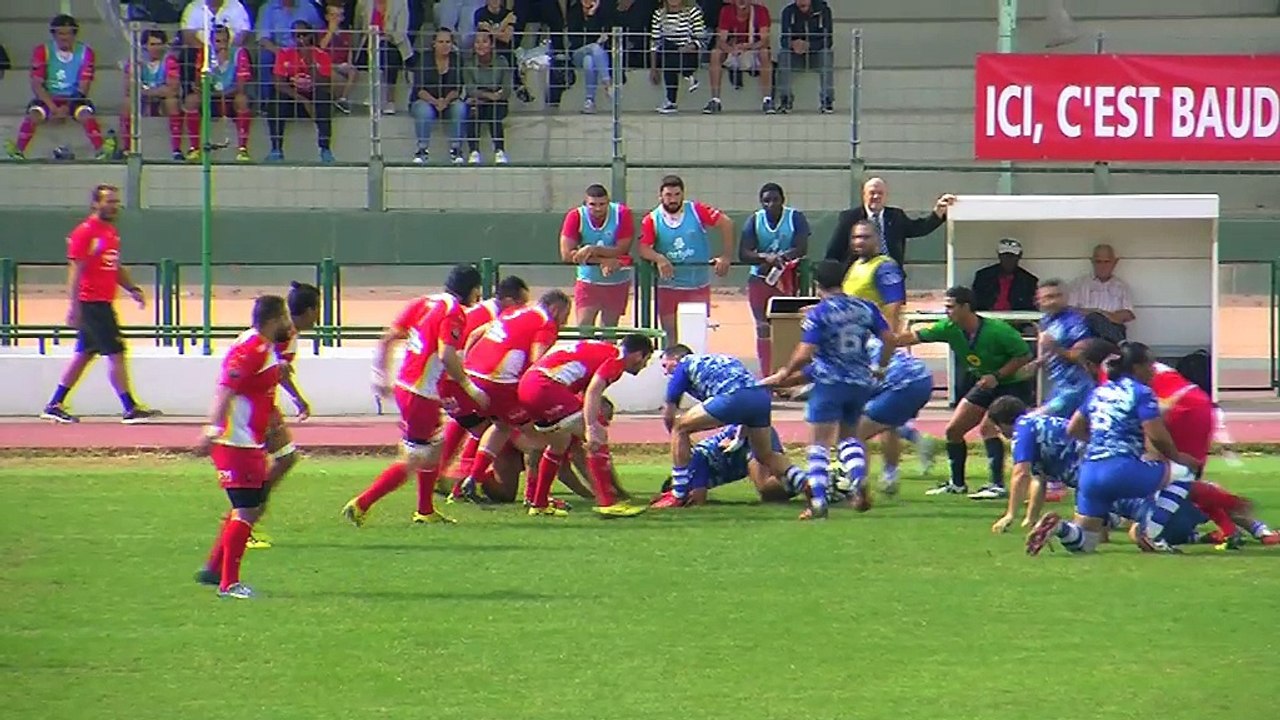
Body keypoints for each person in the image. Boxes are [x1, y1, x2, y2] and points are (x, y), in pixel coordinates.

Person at [340, 264, 486, 527]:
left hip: (407, 385)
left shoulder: (425, 301)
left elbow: (388, 338)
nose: (479, 296)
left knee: (434, 448)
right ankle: (362, 503)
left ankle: (425, 510)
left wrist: (379, 376)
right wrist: (470, 388)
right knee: (414, 458)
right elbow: (446, 355)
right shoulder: (454, 313)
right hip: (421, 394)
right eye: (478, 290)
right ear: (472, 289)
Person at [1025, 343, 1203, 556]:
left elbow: (1073, 428)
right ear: (1136, 368)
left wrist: (1100, 442)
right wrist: (1177, 456)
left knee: (1085, 543)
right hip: (1122, 469)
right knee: (1184, 472)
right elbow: (1156, 434)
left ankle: (1060, 528)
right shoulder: (1141, 392)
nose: (1154, 370)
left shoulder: (1099, 392)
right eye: (1150, 365)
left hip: (1090, 473)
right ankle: (1152, 533)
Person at [762, 259, 894, 519]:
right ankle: (857, 480)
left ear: (816, 284)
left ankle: (818, 502)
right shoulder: (865, 307)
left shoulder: (820, 313)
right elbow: (889, 338)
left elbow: (805, 353)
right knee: (849, 438)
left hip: (829, 383)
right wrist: (880, 366)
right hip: (859, 382)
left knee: (819, 444)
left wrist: (786, 371)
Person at [193, 294, 295, 599]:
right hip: (236, 441)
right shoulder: (254, 348)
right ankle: (230, 584)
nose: (288, 323)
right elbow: (227, 386)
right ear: (275, 319)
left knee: (248, 506)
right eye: (285, 317)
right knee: (247, 510)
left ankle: (215, 570)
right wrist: (211, 429)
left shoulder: (260, 347)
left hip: (246, 441)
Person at [893, 285, 1033, 500]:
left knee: (988, 428)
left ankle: (997, 484)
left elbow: (1024, 355)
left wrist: (997, 375)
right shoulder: (950, 328)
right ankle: (957, 484)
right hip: (985, 383)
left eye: (950, 307)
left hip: (1010, 383)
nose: (947, 311)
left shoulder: (998, 330)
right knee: (954, 430)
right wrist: (887, 340)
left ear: (966, 307)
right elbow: (915, 336)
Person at [441, 290, 573, 510]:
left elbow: (475, 334)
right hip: (499, 384)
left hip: (472, 377)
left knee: (501, 427)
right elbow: (537, 361)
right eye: (565, 316)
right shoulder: (546, 324)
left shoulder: (515, 312)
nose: (565, 323)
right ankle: (536, 497)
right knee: (541, 439)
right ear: (555, 309)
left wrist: (468, 367)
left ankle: (470, 481)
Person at [40, 185, 160, 425]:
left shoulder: (110, 232)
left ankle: (54, 404)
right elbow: (76, 270)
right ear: (96, 204)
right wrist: (73, 306)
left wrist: (132, 289)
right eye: (109, 201)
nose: (114, 206)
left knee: (84, 354)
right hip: (91, 302)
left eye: (116, 202)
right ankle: (129, 407)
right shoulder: (85, 232)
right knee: (116, 353)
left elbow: (114, 267)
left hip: (103, 301)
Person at [516, 335, 655, 517]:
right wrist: (590, 426)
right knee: (598, 437)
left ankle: (539, 503)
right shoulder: (616, 359)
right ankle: (609, 502)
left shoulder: (601, 349)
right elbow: (594, 390)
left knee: (559, 444)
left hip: (527, 386)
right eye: (647, 359)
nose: (645, 365)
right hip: (546, 386)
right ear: (638, 355)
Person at [655, 345, 808, 509]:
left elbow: (669, 411)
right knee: (766, 457)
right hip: (759, 399)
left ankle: (677, 494)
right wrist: (738, 438)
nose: (665, 372)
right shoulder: (719, 362)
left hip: (735, 399)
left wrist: (677, 438)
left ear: (676, 359)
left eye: (665, 365)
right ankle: (813, 485)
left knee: (680, 426)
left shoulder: (685, 364)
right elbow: (747, 392)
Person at [247, 281, 321, 550]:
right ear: (310, 310)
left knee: (284, 459)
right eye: (318, 309)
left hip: (264, 404)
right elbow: (275, 369)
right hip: (256, 406)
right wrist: (299, 399)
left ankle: (247, 518)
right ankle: (243, 519)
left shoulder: (285, 331)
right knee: (273, 462)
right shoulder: (285, 332)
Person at [444, 275, 530, 501]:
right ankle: (461, 478)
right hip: (457, 378)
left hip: (451, 378)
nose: (524, 310)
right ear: (510, 301)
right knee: (492, 426)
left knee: (476, 425)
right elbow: (472, 339)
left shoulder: (484, 311)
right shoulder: (497, 317)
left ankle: (449, 475)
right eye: (522, 304)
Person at [636, 174, 733, 344]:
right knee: (670, 335)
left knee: (695, 336)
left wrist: (726, 256)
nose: (672, 199)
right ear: (660, 196)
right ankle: (672, 370)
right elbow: (643, 248)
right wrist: (659, 258)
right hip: (669, 286)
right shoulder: (652, 219)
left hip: (697, 285)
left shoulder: (696, 210)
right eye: (668, 195)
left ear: (683, 194)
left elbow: (726, 223)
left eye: (676, 194)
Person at [7, 15, 116, 161]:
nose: (64, 38)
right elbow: (37, 84)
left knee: (85, 115)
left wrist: (67, 107)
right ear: (54, 34)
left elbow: (84, 86)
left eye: (68, 33)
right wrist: (52, 107)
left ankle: (100, 150)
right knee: (33, 116)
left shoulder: (86, 52)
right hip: (48, 98)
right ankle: (18, 151)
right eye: (60, 33)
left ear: (74, 34)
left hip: (74, 98)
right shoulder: (42, 51)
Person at [738, 182, 809, 376]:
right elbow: (744, 253)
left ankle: (786, 372)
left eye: (775, 200)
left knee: (786, 325)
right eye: (766, 201)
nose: (771, 204)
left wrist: (782, 258)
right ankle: (767, 373)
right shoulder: (754, 220)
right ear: (761, 203)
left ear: (782, 200)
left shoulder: (796, 218)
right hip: (760, 279)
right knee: (762, 326)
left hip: (786, 278)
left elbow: (802, 247)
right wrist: (765, 257)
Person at [986, 396, 1083, 534]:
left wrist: (1010, 514)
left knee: (1086, 530)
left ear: (1003, 423)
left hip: (1091, 471)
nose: (997, 430)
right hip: (1097, 467)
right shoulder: (1035, 424)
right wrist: (1030, 519)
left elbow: (1021, 474)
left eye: (997, 426)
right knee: (1095, 522)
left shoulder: (1022, 430)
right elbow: (1038, 479)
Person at [853, 337, 936, 496]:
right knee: (888, 424)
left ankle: (858, 485)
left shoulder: (847, 351)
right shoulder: (867, 339)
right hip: (923, 377)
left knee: (856, 433)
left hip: (901, 384)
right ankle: (891, 474)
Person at [825, 177, 955, 272]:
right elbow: (834, 252)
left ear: (886, 196)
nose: (876, 196)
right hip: (859, 274)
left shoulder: (896, 216)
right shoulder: (849, 218)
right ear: (864, 195)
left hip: (890, 275)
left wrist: (938, 211)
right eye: (872, 193)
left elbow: (919, 228)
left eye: (880, 193)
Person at [1112, 480, 1280, 551]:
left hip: (1158, 524)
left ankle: (1200, 537)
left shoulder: (1117, 494)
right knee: (1207, 493)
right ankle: (1260, 531)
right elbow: (1214, 502)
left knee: (1138, 528)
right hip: (1180, 511)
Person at [651, 425, 798, 506]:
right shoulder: (705, 479)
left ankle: (813, 480)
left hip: (750, 437)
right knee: (772, 496)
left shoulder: (695, 463)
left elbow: (698, 498)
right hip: (747, 450)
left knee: (765, 486)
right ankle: (810, 481)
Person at [560, 184, 635, 328]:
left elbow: (622, 249)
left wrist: (592, 249)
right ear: (585, 204)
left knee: (609, 329)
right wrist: (602, 260)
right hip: (588, 281)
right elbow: (567, 255)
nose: (598, 208)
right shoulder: (576, 216)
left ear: (609, 202)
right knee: (584, 327)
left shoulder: (622, 214)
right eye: (593, 205)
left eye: (602, 204)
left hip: (616, 281)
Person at [268, 20, 335, 163]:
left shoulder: (321, 55)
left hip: (313, 97)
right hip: (294, 99)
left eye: (304, 35)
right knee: (276, 100)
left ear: (310, 35)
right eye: (296, 36)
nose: (300, 39)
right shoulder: (285, 54)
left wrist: (310, 62)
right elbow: (278, 83)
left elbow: (325, 83)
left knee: (324, 98)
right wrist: (302, 100)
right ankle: (276, 149)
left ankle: (325, 149)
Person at [185, 23, 253, 162]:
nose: (222, 45)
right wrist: (214, 66)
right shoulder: (205, 54)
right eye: (217, 41)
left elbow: (241, 86)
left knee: (242, 100)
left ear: (229, 41)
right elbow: (199, 84)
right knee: (191, 100)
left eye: (224, 41)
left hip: (231, 96)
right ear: (211, 42)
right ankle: (194, 149)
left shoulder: (239, 53)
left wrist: (224, 92)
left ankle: (242, 149)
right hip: (210, 96)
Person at [119, 29, 183, 160]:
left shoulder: (170, 62)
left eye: (159, 44)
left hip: (161, 100)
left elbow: (172, 89)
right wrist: (151, 91)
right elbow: (129, 87)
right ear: (144, 46)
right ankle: (126, 148)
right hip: (143, 98)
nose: (156, 48)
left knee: (172, 102)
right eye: (152, 44)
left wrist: (146, 91)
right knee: (127, 102)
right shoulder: (135, 61)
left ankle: (176, 149)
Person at [840, 219, 905, 331]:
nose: (859, 242)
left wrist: (888, 344)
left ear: (878, 239)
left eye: (866, 237)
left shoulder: (885, 267)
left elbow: (893, 308)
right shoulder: (855, 265)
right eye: (855, 237)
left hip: (873, 340)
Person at [648, 0, 707, 114]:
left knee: (669, 53)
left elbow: (701, 39)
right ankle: (688, 77)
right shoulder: (658, 14)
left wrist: (689, 47)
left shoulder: (693, 12)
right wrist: (653, 68)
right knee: (667, 48)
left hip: (688, 55)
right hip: (668, 53)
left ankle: (671, 101)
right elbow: (655, 42)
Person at [463, 29, 512, 164]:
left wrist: (495, 96)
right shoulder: (468, 64)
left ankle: (499, 151)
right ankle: (474, 151)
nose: (480, 45)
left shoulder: (501, 62)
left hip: (498, 99)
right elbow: (470, 89)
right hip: (478, 99)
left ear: (492, 44)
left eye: (485, 41)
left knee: (494, 111)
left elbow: (507, 88)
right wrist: (488, 95)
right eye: (477, 42)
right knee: (472, 111)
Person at [566, 0, 614, 114]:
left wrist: (593, 14)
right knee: (594, 48)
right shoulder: (574, 11)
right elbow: (575, 40)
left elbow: (606, 36)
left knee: (589, 62)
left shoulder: (603, 11)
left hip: (596, 55)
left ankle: (589, 101)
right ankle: (608, 84)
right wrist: (591, 16)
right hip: (578, 53)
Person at [971, 239, 1038, 312]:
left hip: (1017, 320)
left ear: (1019, 257)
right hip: (988, 319)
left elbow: (1030, 309)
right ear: (999, 256)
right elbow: (975, 303)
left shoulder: (1029, 281)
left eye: (1012, 256)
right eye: (1005, 256)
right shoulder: (983, 276)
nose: (1008, 259)